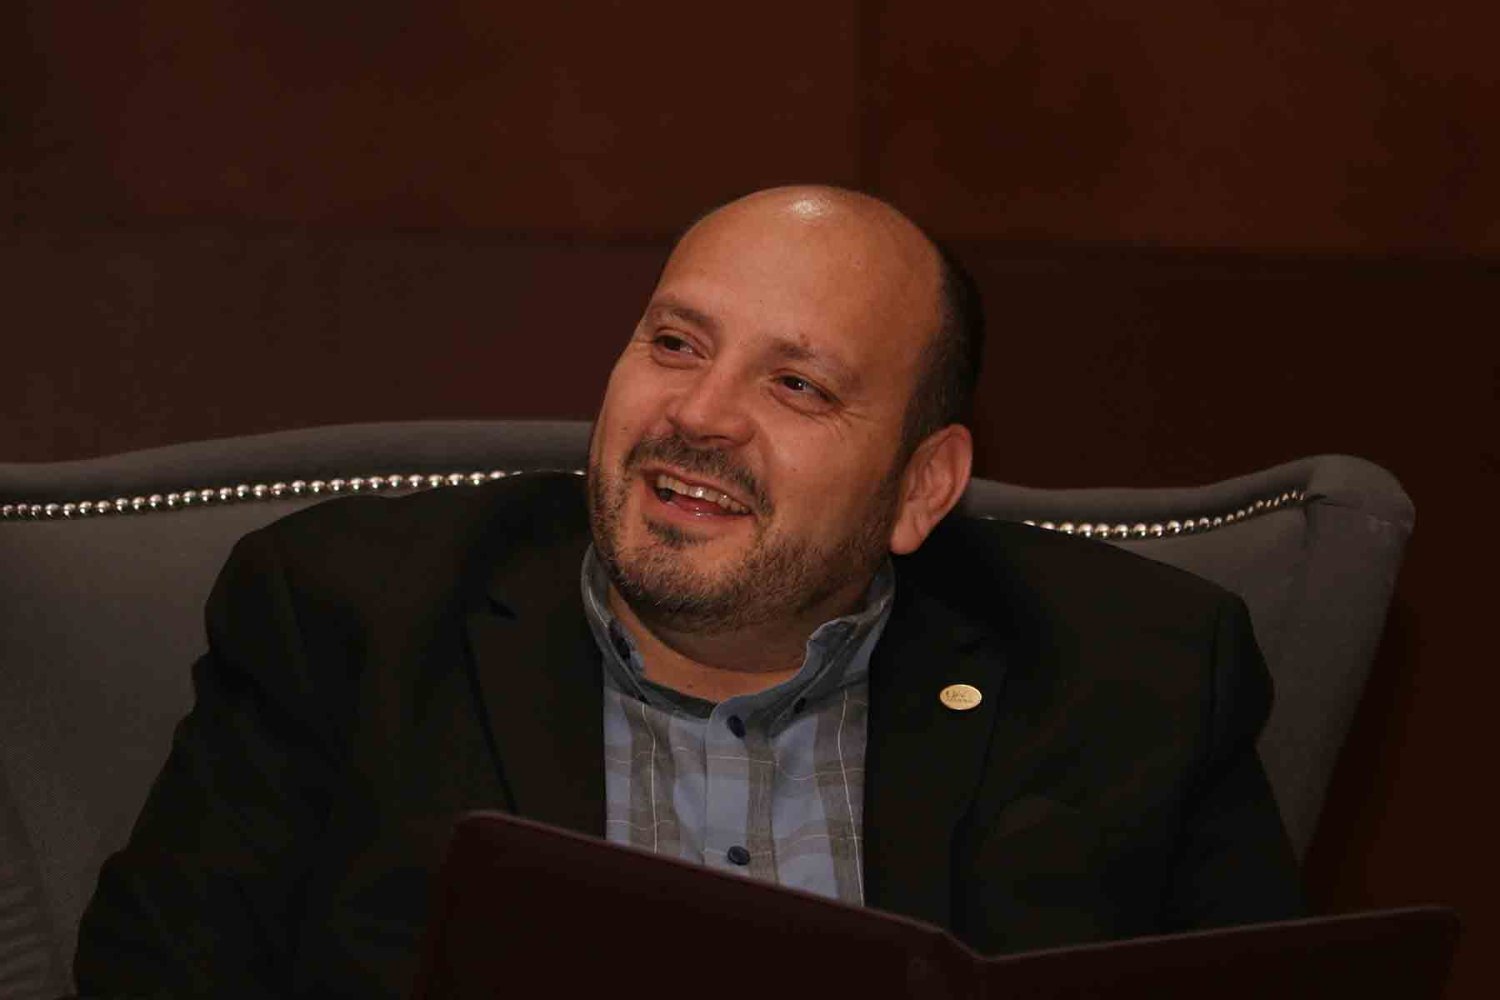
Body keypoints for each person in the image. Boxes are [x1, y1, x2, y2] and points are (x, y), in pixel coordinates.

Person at [74, 186, 1302, 998]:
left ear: (922, 486)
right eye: (676, 344)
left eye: (797, 385)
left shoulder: (1135, 674)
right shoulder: (346, 618)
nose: (701, 415)